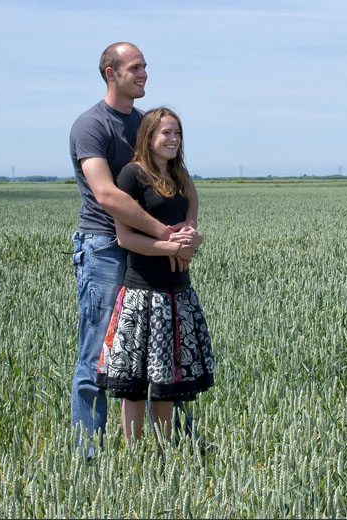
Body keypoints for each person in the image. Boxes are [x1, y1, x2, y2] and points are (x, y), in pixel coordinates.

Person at [68, 42, 199, 452]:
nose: (144, 74)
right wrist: (166, 235)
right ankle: (89, 455)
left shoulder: (145, 122)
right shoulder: (91, 125)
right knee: (102, 357)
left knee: (164, 349)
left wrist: (184, 234)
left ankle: (174, 443)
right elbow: (107, 195)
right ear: (111, 73)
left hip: (150, 248)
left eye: (145, 68)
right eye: (136, 67)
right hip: (105, 247)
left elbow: (176, 181)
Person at [97, 107, 215, 450]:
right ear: (148, 137)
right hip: (143, 291)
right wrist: (171, 248)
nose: (173, 139)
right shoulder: (131, 176)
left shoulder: (181, 176)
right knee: (132, 383)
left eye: (177, 133)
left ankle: (165, 452)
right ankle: (135, 455)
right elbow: (126, 239)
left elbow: (192, 220)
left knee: (168, 381)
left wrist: (193, 239)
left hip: (178, 292)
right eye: (165, 133)